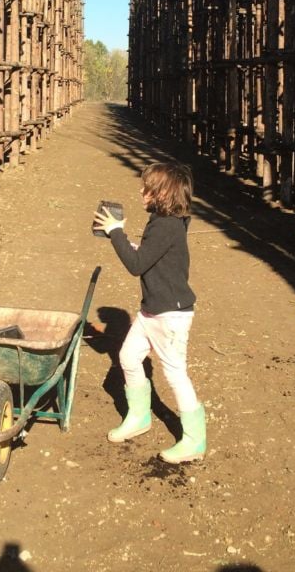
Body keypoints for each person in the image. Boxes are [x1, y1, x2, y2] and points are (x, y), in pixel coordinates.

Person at [92, 161, 206, 464]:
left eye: (148, 188)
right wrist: (125, 240)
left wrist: (116, 232)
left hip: (169, 314)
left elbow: (136, 265)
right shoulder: (165, 221)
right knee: (128, 358)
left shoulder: (166, 225)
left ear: (163, 193)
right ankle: (140, 417)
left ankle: (194, 440)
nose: (142, 192)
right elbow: (147, 256)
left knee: (175, 373)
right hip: (152, 310)